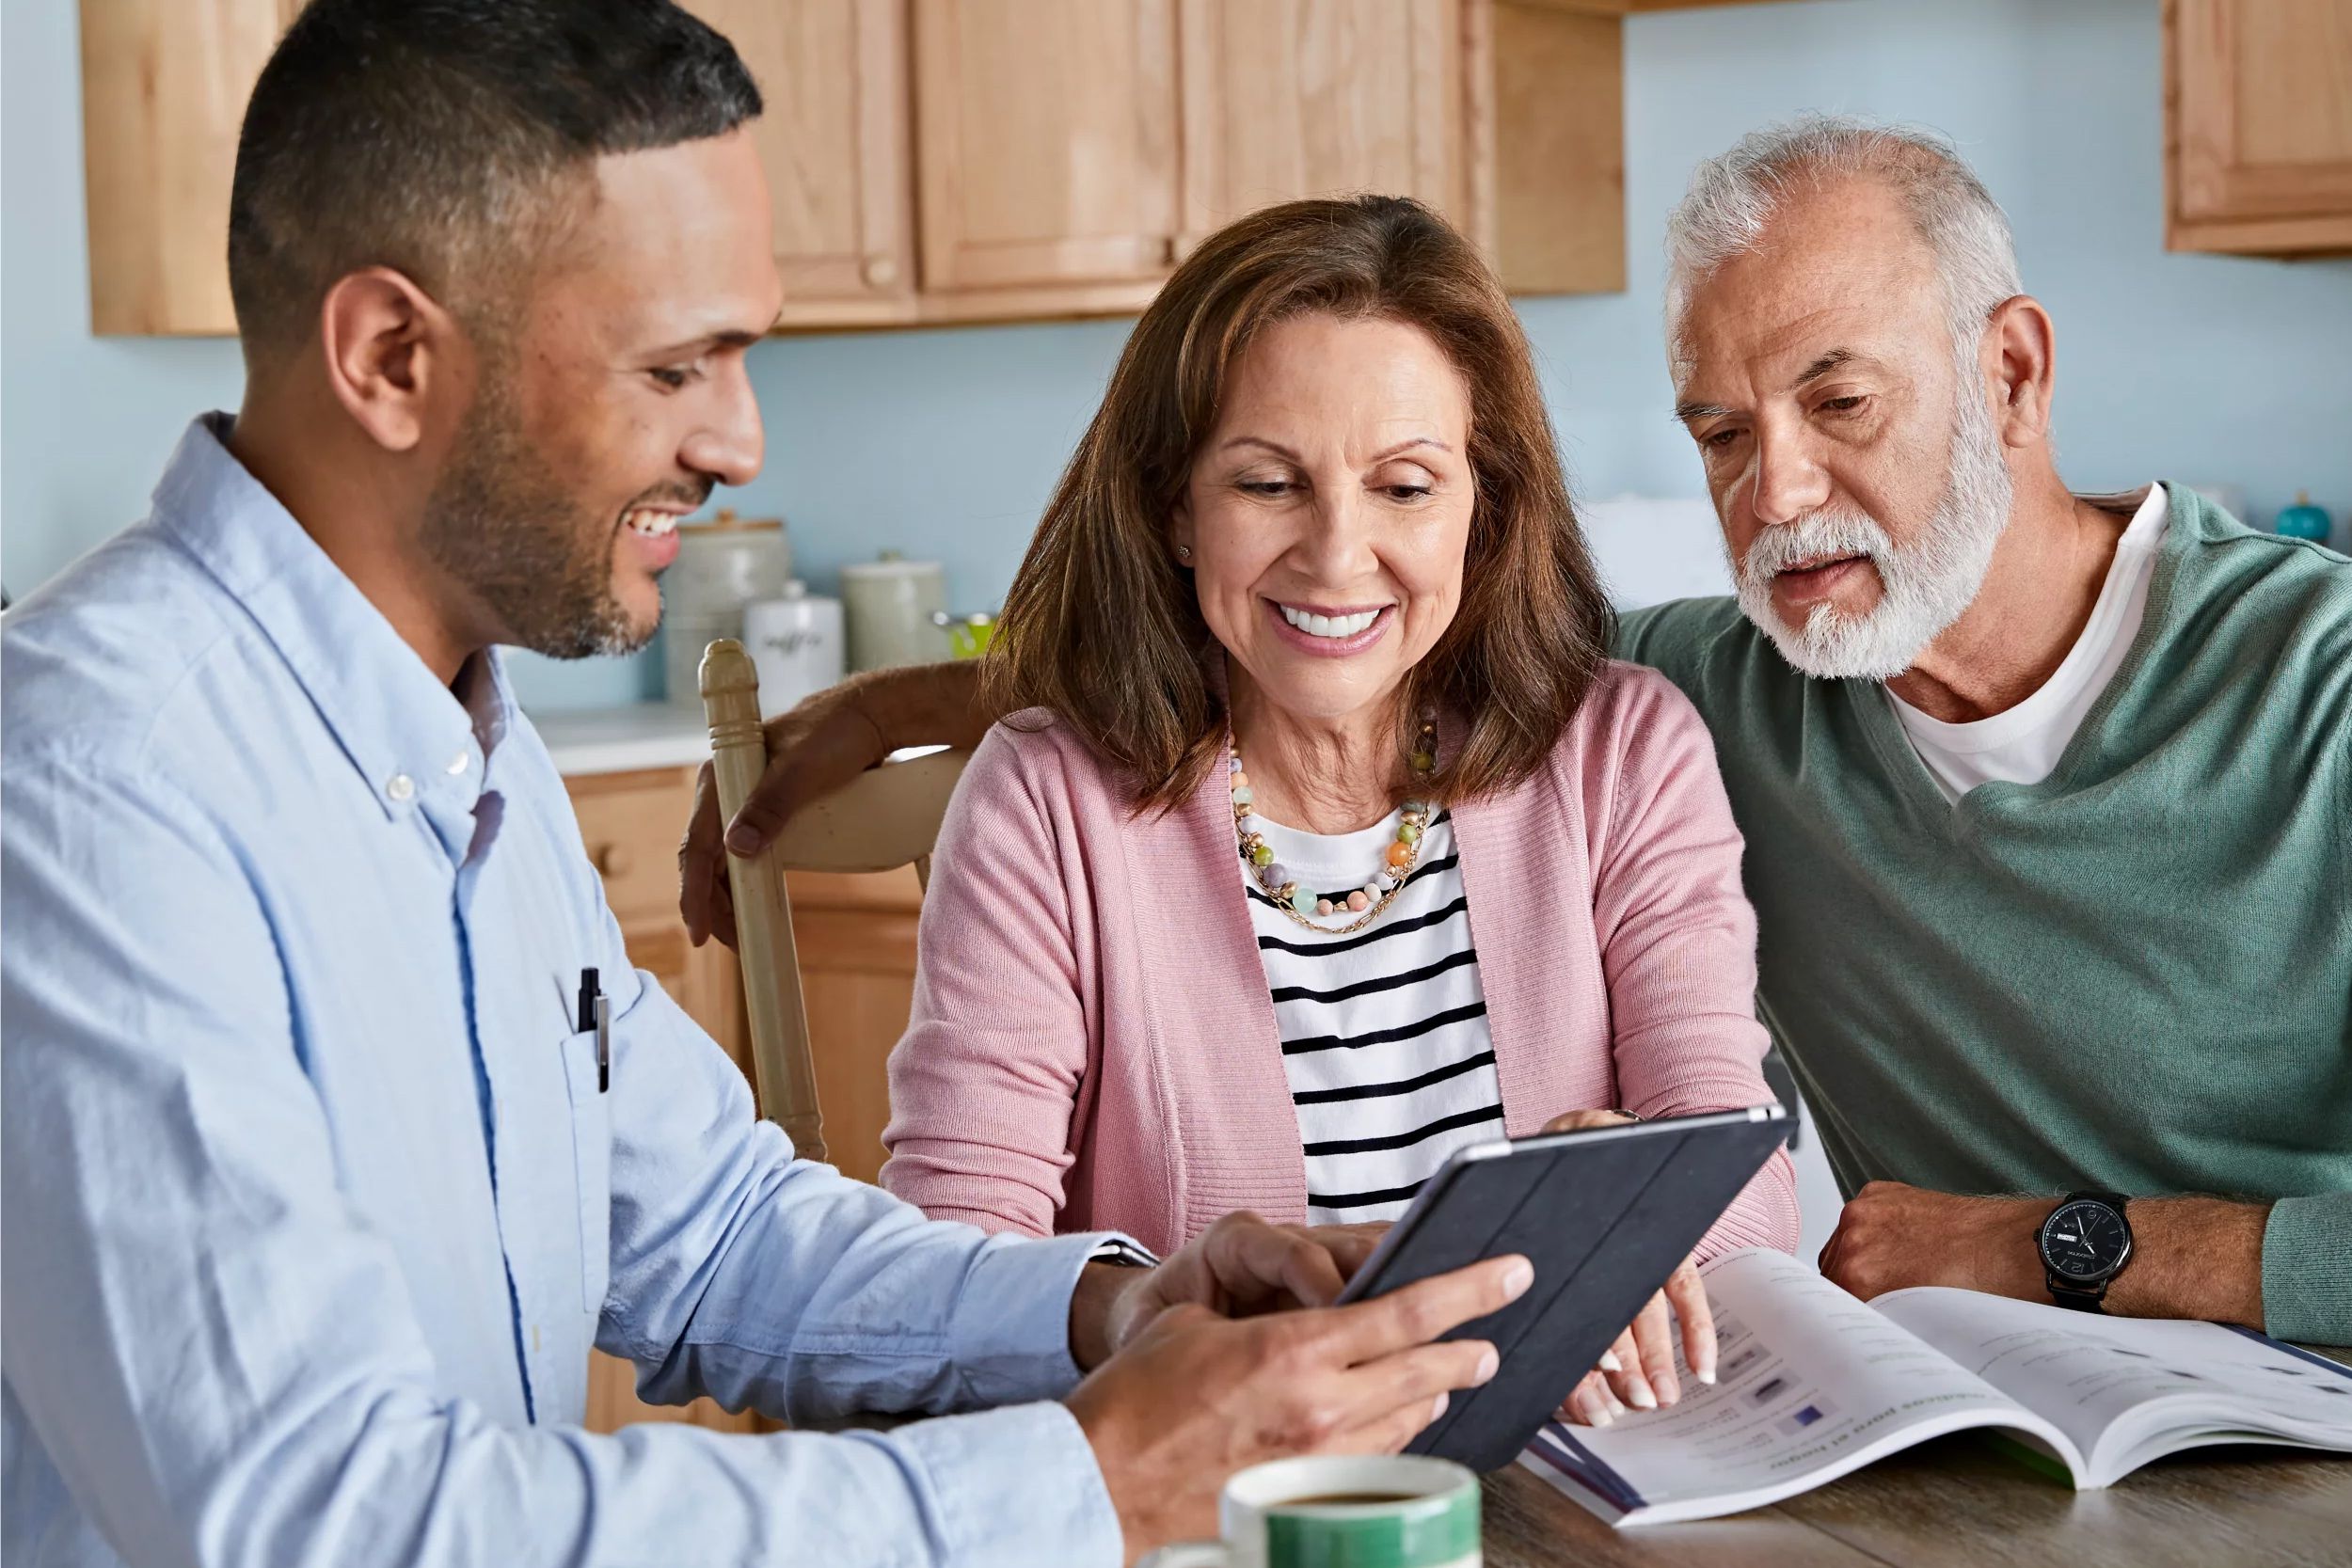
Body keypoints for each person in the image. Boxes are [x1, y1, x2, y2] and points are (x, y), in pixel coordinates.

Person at [0, 7, 1532, 1565]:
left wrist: (1119, 1306)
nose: (739, 441)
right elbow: (332, 1523)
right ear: (393, 358)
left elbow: (721, 1238)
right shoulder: (91, 787)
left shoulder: (463, 747)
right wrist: (1089, 1479)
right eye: (676, 365)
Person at [682, 117, 2351, 1347]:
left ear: (2011, 373)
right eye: (1717, 430)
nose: (1771, 493)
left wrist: (2079, 1245)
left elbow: (1394, 630)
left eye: (1841, 402)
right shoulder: (1742, 677)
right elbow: (1352, 644)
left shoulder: (2314, 685)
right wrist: (935, 703)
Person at [872, 196, 1798, 1429]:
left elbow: (1739, 1178)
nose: (1338, 552)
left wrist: (1637, 1208)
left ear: (1486, 506)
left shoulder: (1623, 750)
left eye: (1406, 487)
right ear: (1174, 507)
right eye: (1268, 482)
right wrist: (1156, 1318)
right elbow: (949, 1272)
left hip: (1580, 1486)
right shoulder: (1046, 800)